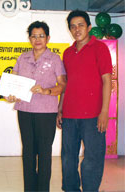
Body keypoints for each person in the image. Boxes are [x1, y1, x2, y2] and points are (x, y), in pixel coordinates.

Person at [7, 21, 67, 192]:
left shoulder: (55, 59)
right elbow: (13, 81)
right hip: (24, 111)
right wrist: (10, 94)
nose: (38, 39)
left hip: (46, 113)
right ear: (29, 38)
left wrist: (46, 90)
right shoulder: (22, 58)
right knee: (28, 153)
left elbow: (63, 85)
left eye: (41, 35)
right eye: (34, 36)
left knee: (44, 154)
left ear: (48, 38)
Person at [57, 10, 112, 192]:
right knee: (68, 158)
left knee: (92, 159)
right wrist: (60, 109)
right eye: (73, 26)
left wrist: (104, 112)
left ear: (89, 27)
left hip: (93, 116)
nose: (76, 29)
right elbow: (65, 84)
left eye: (80, 25)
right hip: (70, 115)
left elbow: (107, 81)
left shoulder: (100, 48)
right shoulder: (67, 53)